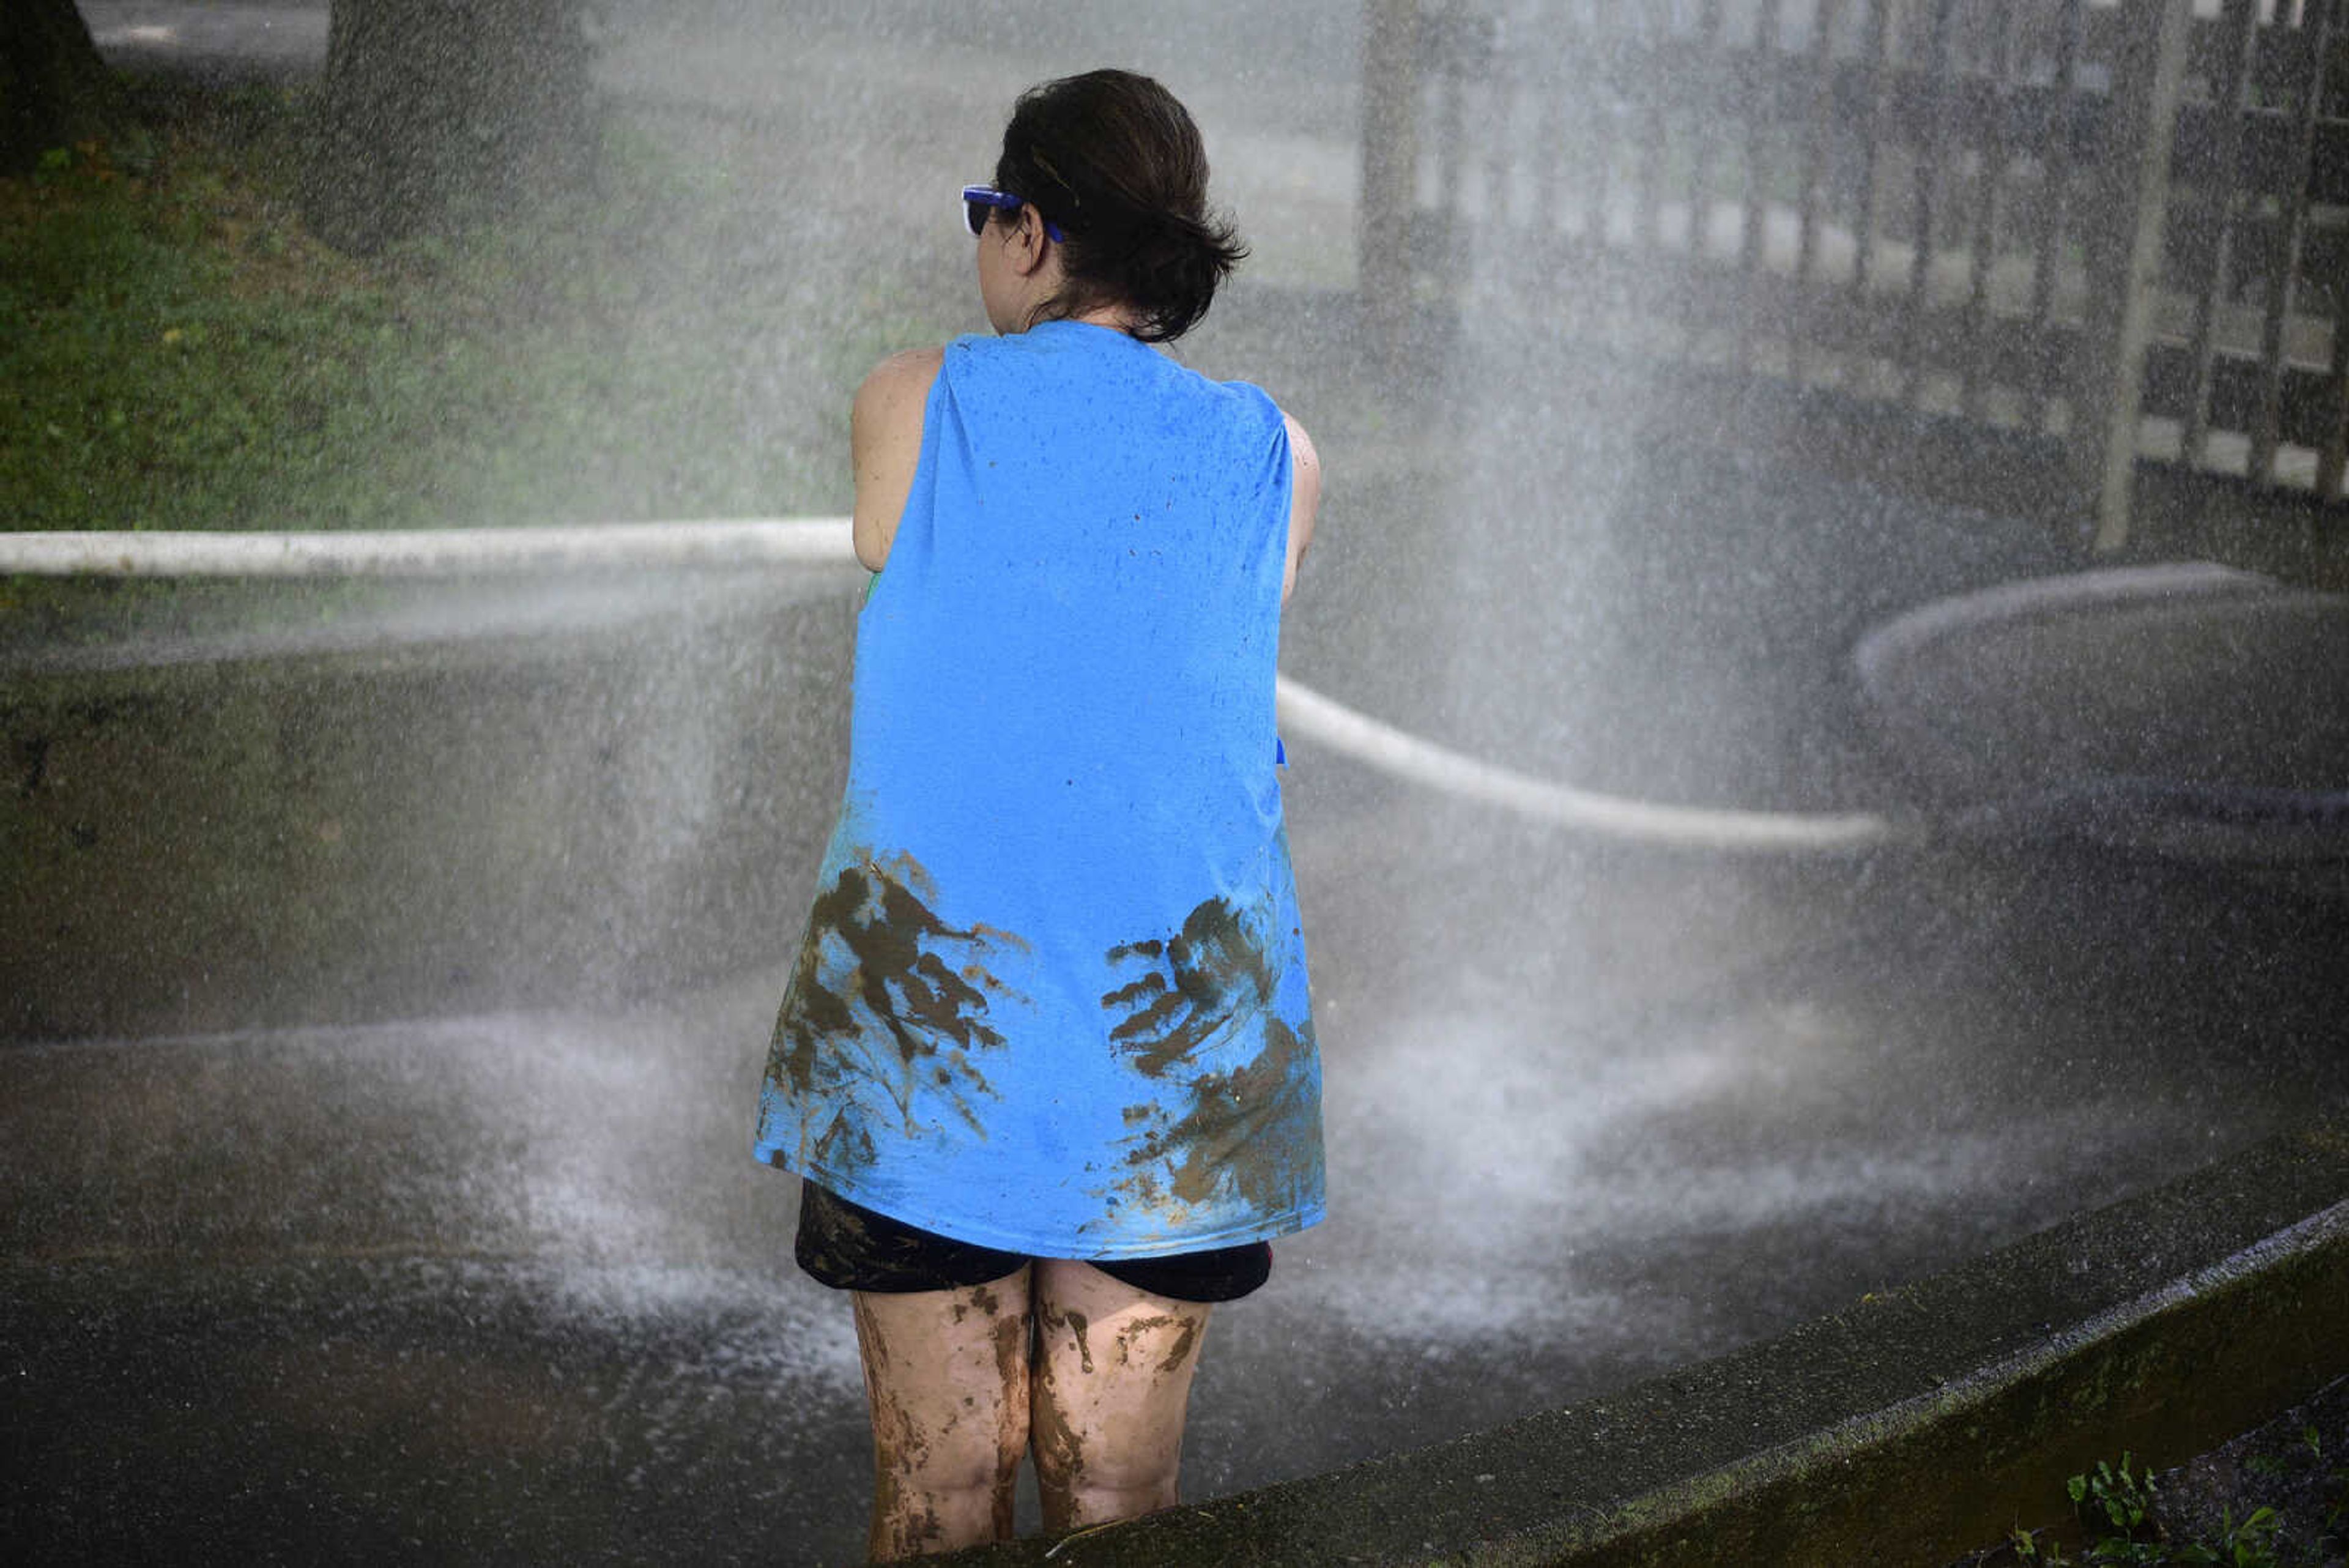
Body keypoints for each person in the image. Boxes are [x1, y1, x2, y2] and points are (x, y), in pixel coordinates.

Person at [751, 67, 1324, 1560]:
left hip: (929, 1040)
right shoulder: (1279, 456)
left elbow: (901, 549)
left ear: (1026, 231)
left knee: (938, 1507)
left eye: (987, 213)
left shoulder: (912, 400)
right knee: (1124, 1515)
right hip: (1173, 1060)